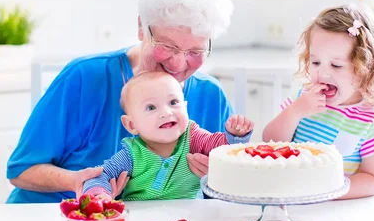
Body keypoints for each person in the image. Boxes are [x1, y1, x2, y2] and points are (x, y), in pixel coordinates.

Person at [7, 0, 243, 203]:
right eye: (167, 47)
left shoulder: (211, 95)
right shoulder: (84, 78)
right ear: (142, 28)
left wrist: (219, 179)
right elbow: (21, 170)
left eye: (195, 50)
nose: (179, 64)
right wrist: (77, 181)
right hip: (58, 220)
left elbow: (234, 184)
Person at [263, 3, 374, 199]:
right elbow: (270, 142)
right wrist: (296, 111)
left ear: (365, 68)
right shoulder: (303, 99)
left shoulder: (370, 120)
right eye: (316, 62)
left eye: (336, 65)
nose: (323, 73)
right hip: (292, 202)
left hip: (334, 211)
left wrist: (329, 190)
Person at [82, 71, 253, 200]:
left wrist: (235, 135)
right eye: (151, 107)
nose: (166, 112)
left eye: (173, 102)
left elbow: (220, 148)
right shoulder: (131, 154)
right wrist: (99, 195)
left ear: (185, 107)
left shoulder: (193, 137)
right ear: (131, 125)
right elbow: (100, 175)